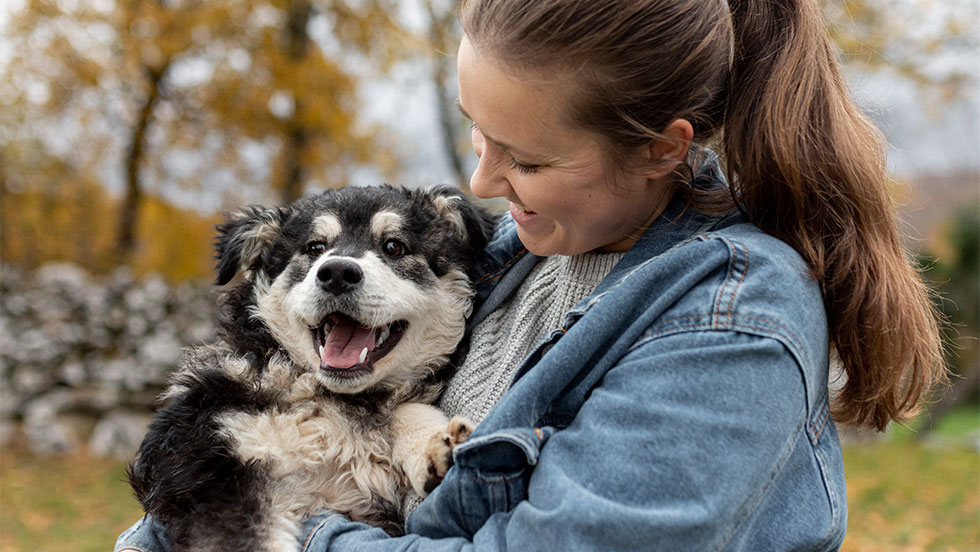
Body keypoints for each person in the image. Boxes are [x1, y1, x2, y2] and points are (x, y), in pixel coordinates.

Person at [116, 0, 946, 550]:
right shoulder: (513, 257)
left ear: (663, 147)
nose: (479, 183)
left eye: (527, 157)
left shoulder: (732, 325)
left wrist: (286, 525)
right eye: (478, 134)